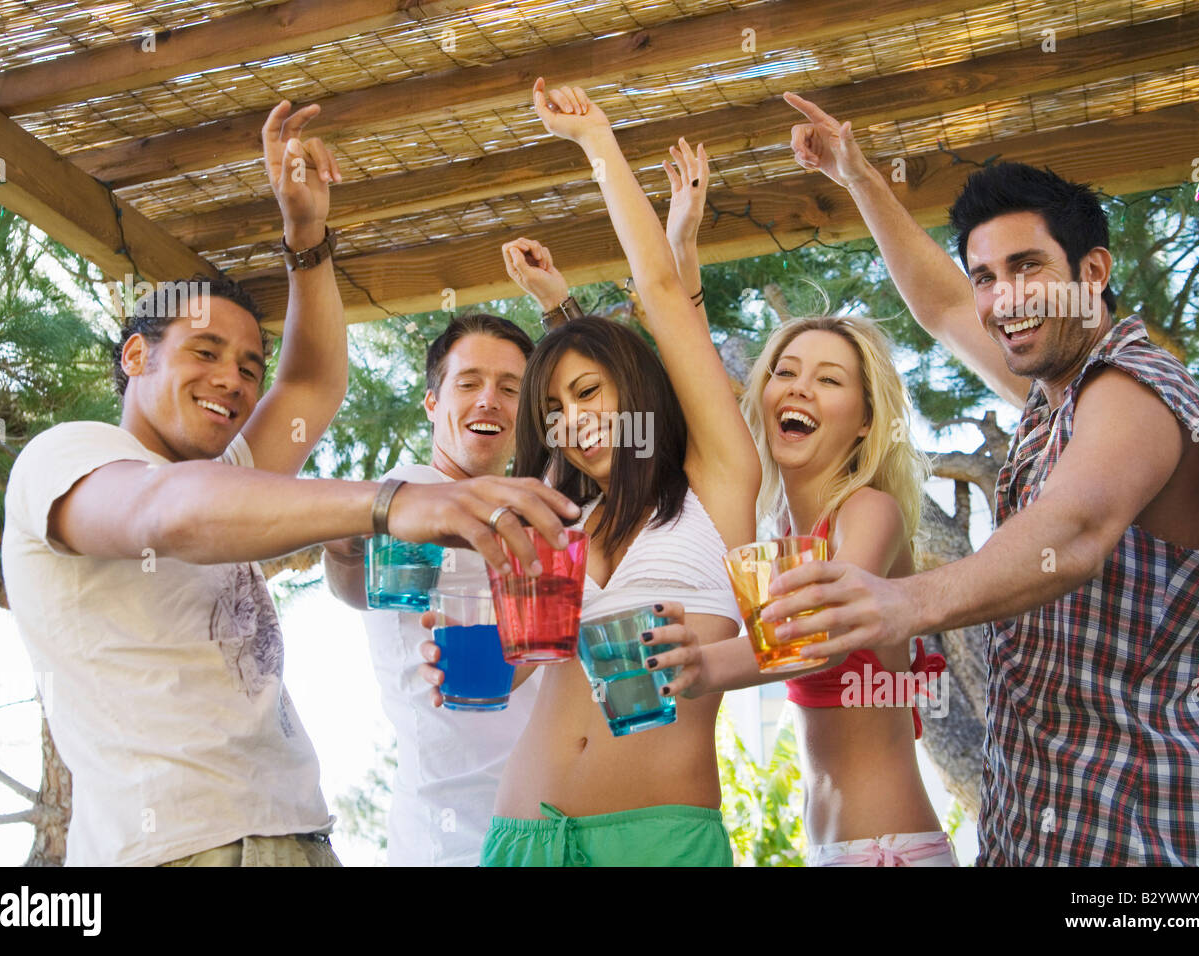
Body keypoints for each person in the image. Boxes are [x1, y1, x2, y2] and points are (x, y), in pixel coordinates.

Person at [1, 101, 579, 867]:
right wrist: (391, 503)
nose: (233, 382)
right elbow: (164, 512)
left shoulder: (224, 475)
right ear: (136, 358)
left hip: (294, 834)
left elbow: (309, 384)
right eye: (205, 353)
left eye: (246, 365)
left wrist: (306, 240)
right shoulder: (71, 454)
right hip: (180, 846)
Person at [756, 93, 1199, 865]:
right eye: (987, 275)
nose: (1002, 298)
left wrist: (902, 601)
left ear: (1093, 273)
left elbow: (1075, 529)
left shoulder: (1135, 387)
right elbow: (944, 305)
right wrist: (858, 177)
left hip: (1149, 846)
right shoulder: (1054, 400)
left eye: (1027, 267)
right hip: (1033, 836)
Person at [421, 84, 760, 866]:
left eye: (587, 396)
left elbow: (663, 297)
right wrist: (487, 664)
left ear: (633, 392)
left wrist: (597, 144)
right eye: (553, 412)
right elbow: (516, 678)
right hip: (523, 834)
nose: (573, 423)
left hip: (656, 840)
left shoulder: (716, 486)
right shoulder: (567, 523)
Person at [652, 311, 954, 866]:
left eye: (829, 379)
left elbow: (824, 635)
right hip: (829, 851)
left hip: (890, 852)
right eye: (785, 372)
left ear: (865, 421)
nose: (800, 388)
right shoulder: (782, 539)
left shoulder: (870, 512)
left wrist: (700, 663)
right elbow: (696, 399)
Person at [322, 313, 546, 866]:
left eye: (510, 388)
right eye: (468, 383)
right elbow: (354, 581)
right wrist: (348, 542)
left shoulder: (539, 511)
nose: (489, 399)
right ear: (431, 403)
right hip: (448, 842)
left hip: (549, 829)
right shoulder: (408, 496)